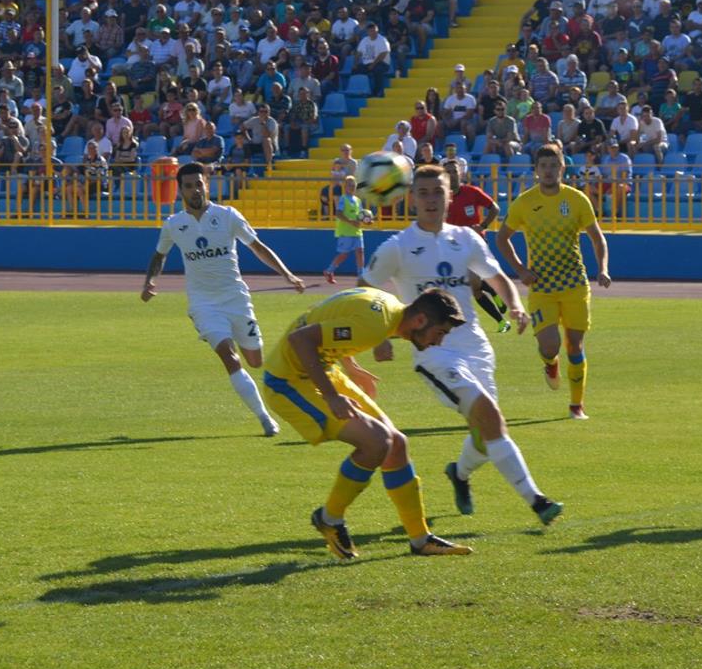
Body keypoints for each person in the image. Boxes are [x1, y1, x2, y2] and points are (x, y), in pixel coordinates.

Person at [366, 164, 562, 526]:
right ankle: (536, 501)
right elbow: (366, 289)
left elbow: (495, 275)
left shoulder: (467, 239)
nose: (430, 199)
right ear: (411, 198)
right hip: (433, 352)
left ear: (449, 196)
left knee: (487, 428)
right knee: (490, 418)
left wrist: (515, 305)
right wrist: (380, 337)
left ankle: (459, 473)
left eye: (437, 192)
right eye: (423, 193)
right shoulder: (398, 247)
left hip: (476, 344)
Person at [261, 285, 471, 560]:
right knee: (376, 442)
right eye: (440, 332)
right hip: (288, 380)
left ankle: (420, 539)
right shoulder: (376, 324)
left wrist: (349, 365)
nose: (438, 341)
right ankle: (330, 519)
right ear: (420, 320)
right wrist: (332, 396)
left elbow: (329, 318)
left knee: (396, 443)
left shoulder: (387, 306)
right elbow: (300, 339)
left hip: (323, 368)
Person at [140, 162, 306, 437]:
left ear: (207, 183)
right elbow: (159, 255)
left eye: (199, 184)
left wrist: (287, 275)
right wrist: (150, 282)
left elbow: (258, 247)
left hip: (236, 298)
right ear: (180, 190)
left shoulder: (228, 216)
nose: (195, 190)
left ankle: (263, 386)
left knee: (255, 360)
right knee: (230, 358)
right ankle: (265, 419)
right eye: (189, 186)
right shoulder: (173, 224)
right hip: (203, 303)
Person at [497, 141, 611, 420]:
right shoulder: (525, 202)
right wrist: (521, 270)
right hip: (542, 288)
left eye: (553, 166)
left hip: (574, 284)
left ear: (562, 167)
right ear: (536, 170)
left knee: (575, 345)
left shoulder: (576, 200)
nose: (548, 171)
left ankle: (576, 406)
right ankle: (550, 363)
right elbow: (502, 239)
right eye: (543, 166)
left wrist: (603, 268)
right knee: (550, 346)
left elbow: (597, 238)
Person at [444, 155, 509, 330]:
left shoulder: (472, 192)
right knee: (475, 288)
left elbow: (494, 207)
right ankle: (501, 319)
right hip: (455, 248)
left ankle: (501, 318)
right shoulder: (444, 199)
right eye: (448, 172)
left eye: (454, 171)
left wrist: (483, 226)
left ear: (461, 173)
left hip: (476, 243)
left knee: (474, 284)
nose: (452, 175)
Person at [325, 185, 369, 284]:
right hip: (345, 231)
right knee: (344, 254)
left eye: (353, 184)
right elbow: (338, 213)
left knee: (360, 251)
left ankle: (361, 276)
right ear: (345, 187)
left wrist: (366, 220)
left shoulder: (358, 200)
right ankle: (329, 270)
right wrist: (351, 221)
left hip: (357, 230)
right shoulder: (343, 199)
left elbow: (361, 214)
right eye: (349, 184)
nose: (352, 186)